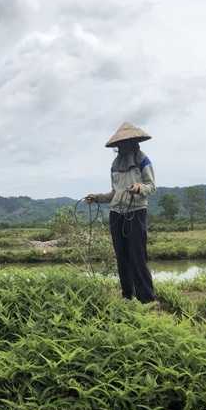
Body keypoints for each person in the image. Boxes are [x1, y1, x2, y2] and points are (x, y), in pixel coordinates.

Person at [85, 122, 157, 304]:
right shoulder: (115, 165)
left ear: (133, 142)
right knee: (122, 256)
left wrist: (138, 188)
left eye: (125, 143)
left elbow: (152, 186)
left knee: (137, 256)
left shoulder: (142, 160)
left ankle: (147, 299)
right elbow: (114, 193)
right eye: (120, 144)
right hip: (117, 214)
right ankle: (127, 296)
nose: (122, 146)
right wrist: (97, 197)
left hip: (136, 212)